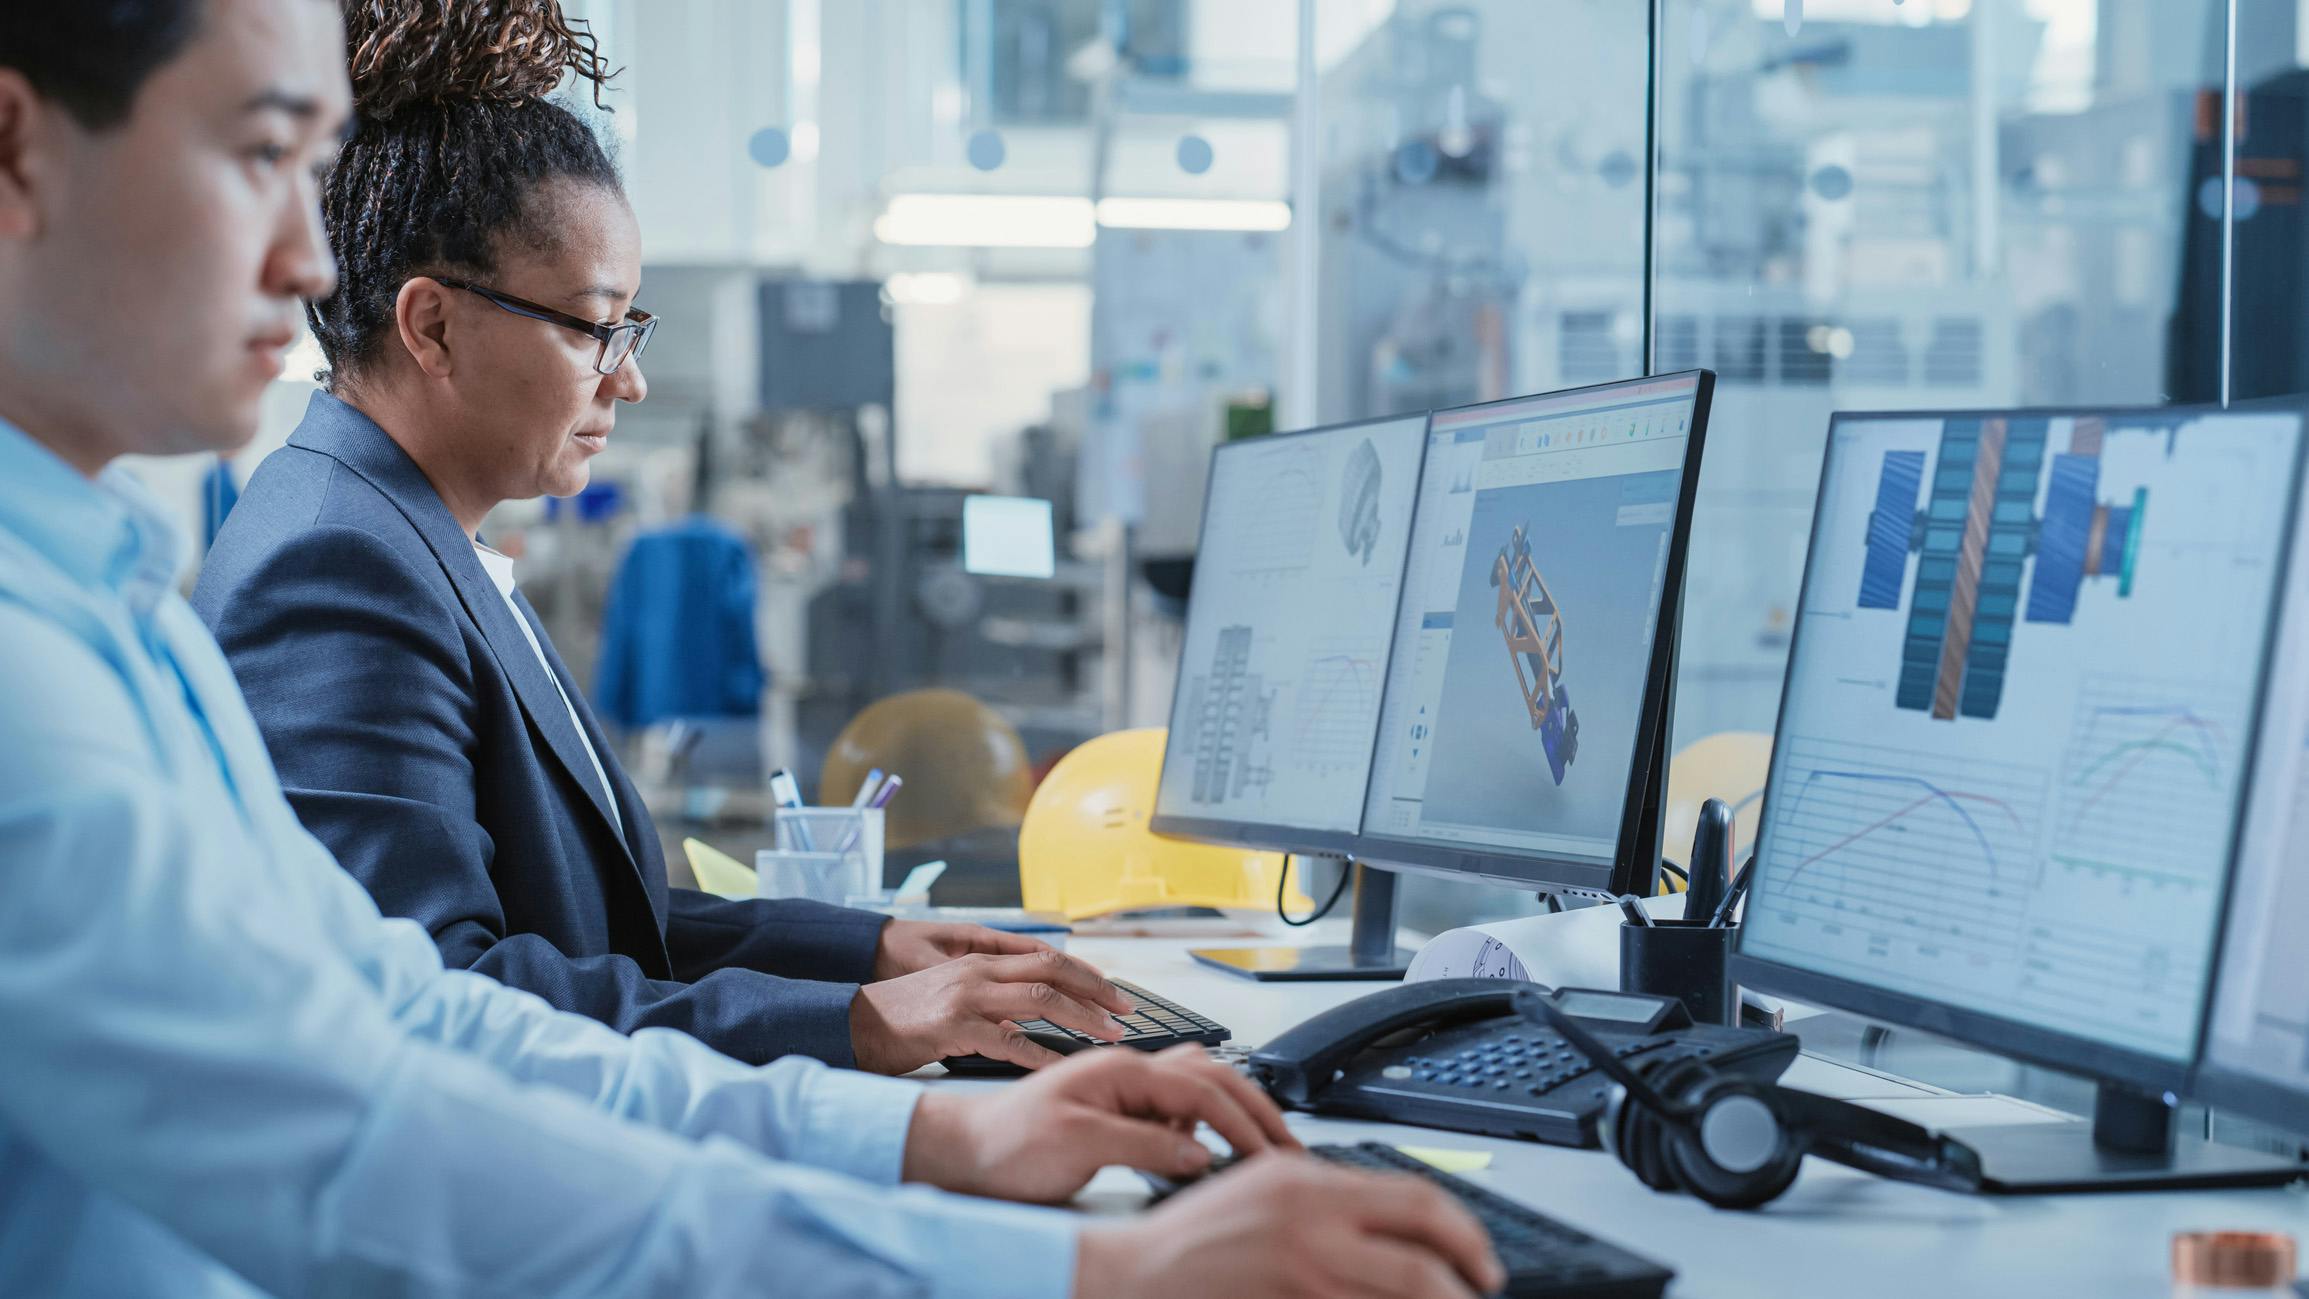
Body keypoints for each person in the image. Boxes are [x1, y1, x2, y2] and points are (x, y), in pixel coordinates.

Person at [0, 2, 1509, 1296]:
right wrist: (1072, 1261)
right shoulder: (149, 627)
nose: (301, 258)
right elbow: (375, 1134)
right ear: (18, 151)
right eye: (259, 157)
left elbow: (416, 1018)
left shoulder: (126, 606)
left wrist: (930, 1120)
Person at [193, 0, 1112, 1076]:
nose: (626, 378)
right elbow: (443, 999)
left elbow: (593, 922)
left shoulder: (408, 534)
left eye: (630, 326)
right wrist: (863, 1024)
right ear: (432, 325)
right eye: (595, 326)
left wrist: (873, 953)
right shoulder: (336, 566)